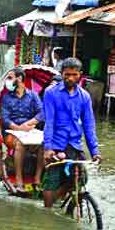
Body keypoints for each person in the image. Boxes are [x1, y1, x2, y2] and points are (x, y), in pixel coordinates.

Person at [42, 58, 101, 207]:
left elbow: (89, 126)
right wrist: (48, 148)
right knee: (52, 180)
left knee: (80, 179)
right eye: (67, 74)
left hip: (74, 144)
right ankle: (47, 213)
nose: (70, 78)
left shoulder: (85, 97)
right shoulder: (51, 93)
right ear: (61, 74)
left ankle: (65, 202)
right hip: (56, 143)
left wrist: (95, 151)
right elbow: (49, 122)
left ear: (80, 75)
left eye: (74, 75)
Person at [0, 67, 44, 190]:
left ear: (19, 79)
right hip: (12, 132)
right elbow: (4, 118)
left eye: (10, 78)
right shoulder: (6, 98)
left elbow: (41, 113)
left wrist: (29, 124)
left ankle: (37, 178)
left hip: (29, 130)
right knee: (20, 144)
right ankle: (19, 180)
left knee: (44, 144)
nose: (7, 81)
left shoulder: (33, 95)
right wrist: (18, 128)